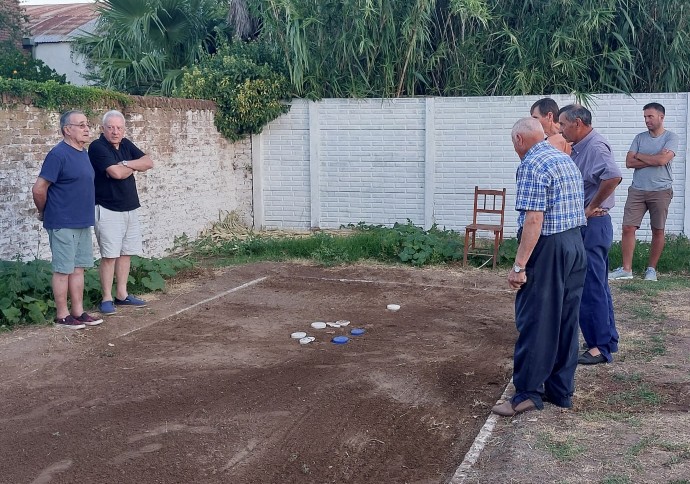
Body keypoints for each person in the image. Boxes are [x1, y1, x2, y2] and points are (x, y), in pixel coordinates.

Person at [492, 117, 587, 417]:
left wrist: (519, 266)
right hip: (574, 245)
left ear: (520, 140)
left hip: (549, 249)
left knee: (537, 320)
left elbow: (534, 220)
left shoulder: (532, 165)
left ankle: (528, 393)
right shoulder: (563, 158)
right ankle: (561, 391)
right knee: (566, 320)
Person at [558, 104, 622, 366]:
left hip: (594, 225)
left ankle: (599, 347)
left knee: (590, 285)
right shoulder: (581, 147)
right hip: (592, 225)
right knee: (598, 283)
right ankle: (607, 339)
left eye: (563, 124)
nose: (561, 129)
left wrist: (591, 207)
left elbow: (613, 176)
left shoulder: (594, 146)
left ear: (578, 123)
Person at [32, 110, 103, 329]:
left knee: (78, 268)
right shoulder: (58, 154)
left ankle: (78, 312)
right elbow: (39, 189)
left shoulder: (83, 153)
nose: (86, 128)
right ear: (67, 130)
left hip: (82, 220)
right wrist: (45, 211)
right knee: (63, 269)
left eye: (87, 124)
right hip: (62, 221)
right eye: (81, 125)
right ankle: (62, 316)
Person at [89, 110, 154, 314]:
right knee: (109, 255)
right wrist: (133, 167)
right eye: (110, 127)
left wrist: (126, 164)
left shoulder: (125, 144)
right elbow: (115, 174)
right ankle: (107, 298)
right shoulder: (97, 147)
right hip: (107, 208)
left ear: (123, 129)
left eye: (119, 128)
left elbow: (149, 162)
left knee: (126, 253)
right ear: (103, 129)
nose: (115, 132)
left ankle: (122, 295)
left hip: (130, 207)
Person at [609, 103, 679, 282]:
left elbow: (663, 160)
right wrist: (654, 159)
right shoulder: (639, 137)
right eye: (645, 117)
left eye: (650, 116)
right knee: (628, 228)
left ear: (661, 117)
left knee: (658, 230)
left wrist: (640, 155)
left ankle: (651, 270)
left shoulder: (671, 137)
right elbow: (629, 162)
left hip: (661, 190)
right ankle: (626, 269)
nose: (646, 120)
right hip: (637, 189)